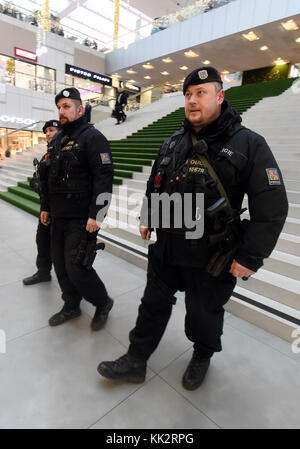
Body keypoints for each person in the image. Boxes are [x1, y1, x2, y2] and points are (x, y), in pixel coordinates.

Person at [98, 66, 288, 390]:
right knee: (152, 306)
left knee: (203, 316)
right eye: (188, 95)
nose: (192, 100)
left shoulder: (249, 144)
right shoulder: (173, 142)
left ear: (220, 95)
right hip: (168, 247)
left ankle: (202, 355)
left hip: (211, 256)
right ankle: (136, 358)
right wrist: (148, 217)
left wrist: (251, 257)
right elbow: (155, 182)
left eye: (201, 93)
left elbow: (272, 206)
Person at [39, 87, 114, 330]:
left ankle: (102, 303)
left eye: (67, 106)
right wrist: (46, 207)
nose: (61, 111)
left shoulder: (93, 138)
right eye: (59, 107)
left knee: (77, 267)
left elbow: (104, 178)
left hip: (82, 218)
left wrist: (97, 215)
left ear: (80, 109)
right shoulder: (59, 139)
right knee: (60, 266)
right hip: (58, 216)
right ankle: (71, 304)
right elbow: (50, 179)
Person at [23, 120, 61, 286]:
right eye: (46, 131)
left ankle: (70, 285)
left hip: (62, 210)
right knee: (42, 240)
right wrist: (37, 184)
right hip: (46, 208)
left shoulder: (67, 153)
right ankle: (43, 272)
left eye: (52, 130)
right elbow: (41, 179)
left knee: (60, 249)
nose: (48, 134)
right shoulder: (46, 155)